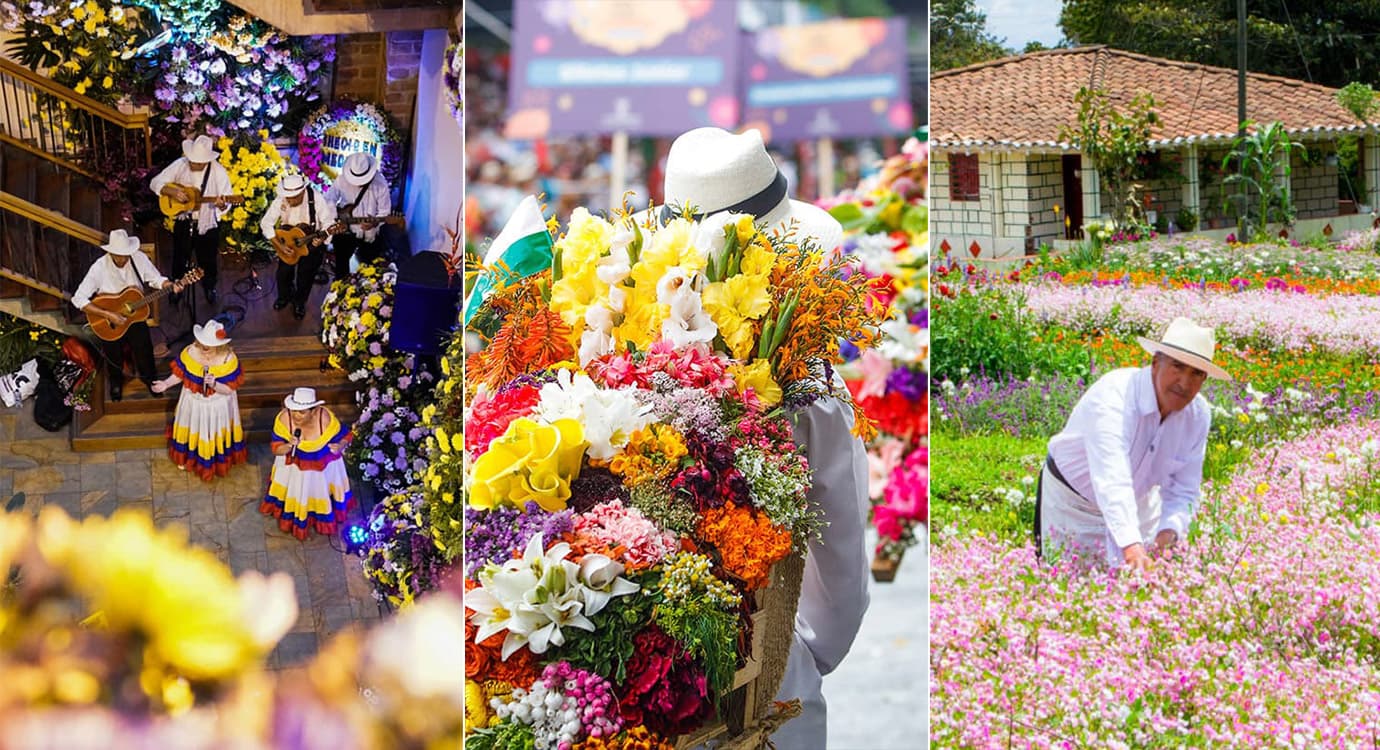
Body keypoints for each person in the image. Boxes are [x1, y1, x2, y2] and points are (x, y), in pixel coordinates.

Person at [657, 127, 862, 749]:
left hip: (647, 670)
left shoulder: (619, 344)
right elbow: (840, 533)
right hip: (762, 663)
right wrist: (805, 651)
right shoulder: (808, 390)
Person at [1036, 317, 1230, 571]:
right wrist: (1131, 546)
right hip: (1074, 506)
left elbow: (1184, 488)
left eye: (1196, 374)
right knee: (1068, 588)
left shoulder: (1197, 415)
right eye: (1177, 367)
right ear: (1154, 364)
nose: (1185, 383)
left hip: (1138, 506)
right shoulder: (1114, 396)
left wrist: (1167, 533)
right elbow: (1111, 478)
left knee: (1135, 593)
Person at [71, 229, 185, 402]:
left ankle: (150, 379)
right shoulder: (99, 267)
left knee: (144, 349)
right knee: (113, 354)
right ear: (110, 252)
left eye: (125, 255)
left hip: (135, 315)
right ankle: (116, 384)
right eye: (118, 255)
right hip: (108, 320)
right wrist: (108, 314)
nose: (123, 259)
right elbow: (78, 298)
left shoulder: (138, 258)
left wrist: (169, 284)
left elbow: (155, 278)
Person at [150, 318, 246, 481]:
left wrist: (214, 384)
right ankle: (188, 459)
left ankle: (214, 462)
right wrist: (165, 384)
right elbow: (180, 374)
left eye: (207, 347)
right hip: (193, 402)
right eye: (201, 344)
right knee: (193, 429)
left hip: (217, 405)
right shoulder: (190, 352)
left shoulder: (228, 360)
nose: (203, 349)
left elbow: (229, 389)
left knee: (213, 433)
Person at [259, 387, 353, 540]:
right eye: (293, 410)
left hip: (321, 468)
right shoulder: (284, 419)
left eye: (301, 412)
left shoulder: (326, 420)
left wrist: (340, 446)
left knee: (318, 492)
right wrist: (289, 446)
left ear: (314, 411)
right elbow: (276, 449)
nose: (296, 415)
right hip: (294, 468)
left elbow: (346, 435)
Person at [150, 134, 233, 305]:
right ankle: (177, 288)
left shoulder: (218, 171)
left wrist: (222, 205)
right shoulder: (180, 165)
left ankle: (209, 287)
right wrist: (171, 192)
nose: (194, 164)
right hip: (184, 220)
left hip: (207, 224)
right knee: (180, 257)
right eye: (192, 160)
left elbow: (227, 201)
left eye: (198, 162)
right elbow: (155, 182)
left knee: (208, 259)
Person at [261, 173, 337, 320]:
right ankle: (284, 297)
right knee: (283, 273)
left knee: (305, 276)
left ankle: (299, 302)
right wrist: (279, 246)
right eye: (288, 197)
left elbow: (328, 223)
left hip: (312, 242)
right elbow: (266, 223)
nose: (291, 200)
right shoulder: (281, 200)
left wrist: (321, 239)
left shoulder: (316, 198)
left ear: (303, 191)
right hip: (287, 243)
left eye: (295, 197)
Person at [326, 151, 392, 280]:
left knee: (369, 269)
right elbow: (329, 199)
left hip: (369, 234)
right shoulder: (341, 180)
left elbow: (385, 211)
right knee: (341, 265)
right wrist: (336, 219)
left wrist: (375, 222)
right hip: (345, 231)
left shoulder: (380, 183)